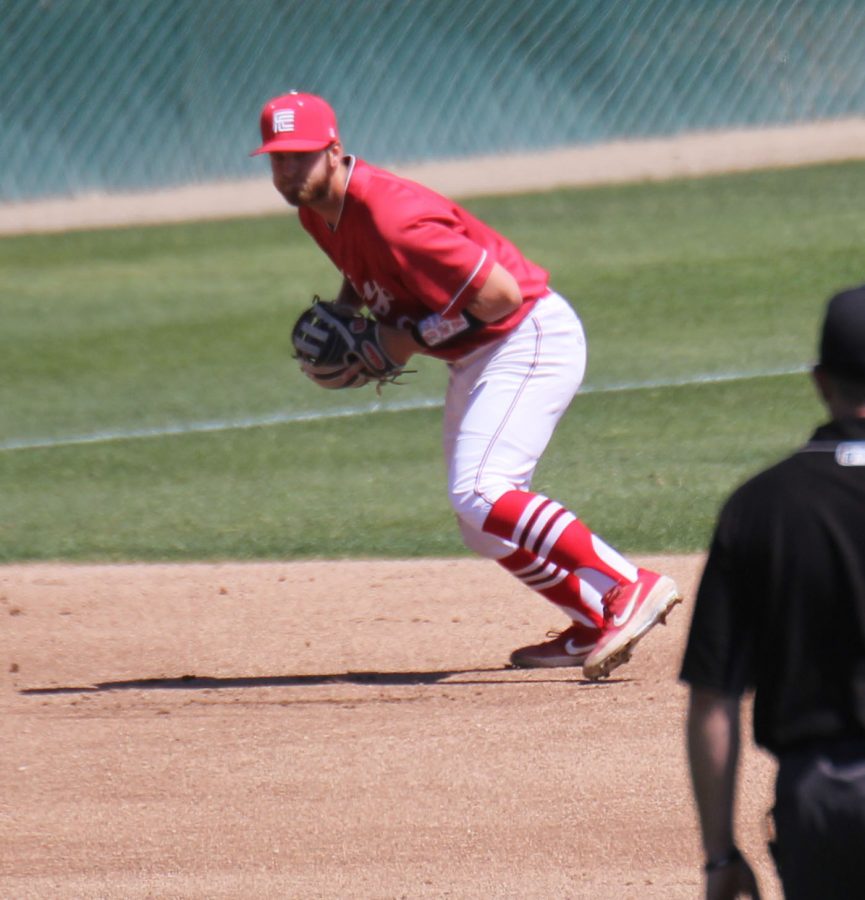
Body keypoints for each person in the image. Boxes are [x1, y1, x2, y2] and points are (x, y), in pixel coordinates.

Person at [253, 91, 681, 679]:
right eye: (277, 158)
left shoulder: (391, 214)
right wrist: (352, 320)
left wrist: (398, 342)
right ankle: (589, 618)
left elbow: (500, 296)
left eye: (300, 156)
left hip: (527, 336)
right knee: (478, 524)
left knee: (483, 490)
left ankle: (629, 585)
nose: (287, 170)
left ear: (334, 150)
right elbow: (359, 266)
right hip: (478, 354)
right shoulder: (316, 209)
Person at [680, 285, 865, 899]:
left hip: (825, 801)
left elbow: (714, 701)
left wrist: (718, 857)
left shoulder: (762, 506)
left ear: (820, 381)